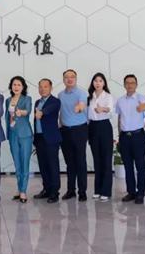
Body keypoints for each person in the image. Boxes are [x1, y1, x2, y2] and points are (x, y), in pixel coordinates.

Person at [115, 74, 145, 204]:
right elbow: (119, 118)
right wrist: (119, 135)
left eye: (132, 83)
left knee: (140, 166)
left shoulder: (142, 98)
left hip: (138, 136)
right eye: (127, 83)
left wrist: (144, 107)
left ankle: (141, 193)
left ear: (136, 84)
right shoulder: (120, 100)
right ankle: (131, 192)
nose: (130, 85)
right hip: (124, 137)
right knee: (128, 166)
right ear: (124, 85)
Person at [58, 69, 89, 202]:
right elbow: (61, 113)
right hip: (65, 131)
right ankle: (71, 190)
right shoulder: (60, 95)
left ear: (76, 79)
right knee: (69, 163)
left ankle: (82, 192)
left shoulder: (81, 93)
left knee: (80, 161)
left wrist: (79, 107)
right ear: (63, 80)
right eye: (67, 77)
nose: (69, 79)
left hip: (79, 130)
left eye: (72, 77)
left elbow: (82, 105)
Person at [33, 78, 62, 203]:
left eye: (45, 86)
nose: (43, 89)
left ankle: (54, 192)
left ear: (51, 88)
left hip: (51, 138)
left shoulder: (55, 101)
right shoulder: (37, 102)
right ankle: (46, 189)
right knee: (43, 165)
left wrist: (42, 112)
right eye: (40, 87)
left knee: (52, 165)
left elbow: (49, 110)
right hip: (39, 138)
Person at [5, 76, 32, 203]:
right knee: (17, 163)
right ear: (11, 86)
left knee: (24, 162)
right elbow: (7, 117)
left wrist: (22, 112)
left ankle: (23, 191)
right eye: (14, 84)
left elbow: (28, 111)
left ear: (23, 87)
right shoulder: (8, 100)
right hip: (12, 134)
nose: (16, 87)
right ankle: (20, 188)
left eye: (19, 85)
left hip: (25, 134)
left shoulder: (27, 99)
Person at [87, 72, 114, 202]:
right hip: (92, 127)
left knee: (106, 160)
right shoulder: (89, 97)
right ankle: (97, 190)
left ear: (104, 83)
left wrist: (103, 109)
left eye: (100, 81)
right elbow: (87, 115)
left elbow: (111, 111)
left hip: (104, 127)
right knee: (96, 159)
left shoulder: (108, 96)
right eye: (95, 81)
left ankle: (106, 191)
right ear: (92, 83)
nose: (98, 83)